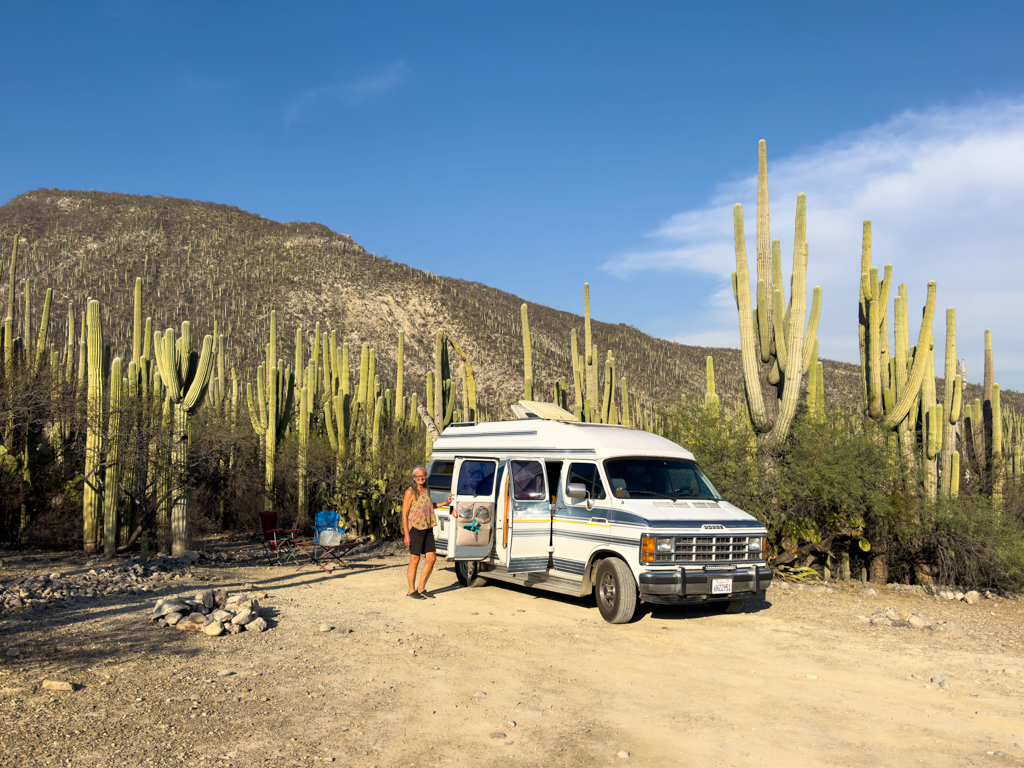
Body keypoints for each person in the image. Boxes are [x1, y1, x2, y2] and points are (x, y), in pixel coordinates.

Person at [402, 466, 452, 599]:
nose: (421, 478)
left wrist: (446, 502)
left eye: (423, 476)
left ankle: (421, 588)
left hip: (428, 528)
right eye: (418, 476)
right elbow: (404, 514)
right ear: (414, 478)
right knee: (415, 560)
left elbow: (431, 505)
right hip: (416, 529)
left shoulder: (426, 490)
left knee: (431, 559)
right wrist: (406, 534)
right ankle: (411, 591)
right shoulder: (410, 492)